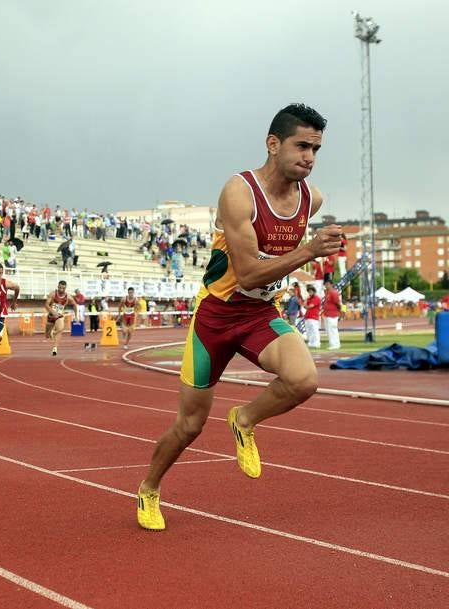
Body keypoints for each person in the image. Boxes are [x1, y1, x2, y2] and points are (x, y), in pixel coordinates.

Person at [137, 103, 341, 531]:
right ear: (273, 143)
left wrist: (306, 251)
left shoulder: (312, 199)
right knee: (190, 425)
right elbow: (247, 271)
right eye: (301, 145)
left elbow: (271, 265)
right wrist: (308, 251)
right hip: (216, 317)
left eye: (316, 149)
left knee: (304, 379)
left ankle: (244, 419)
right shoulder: (239, 192)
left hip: (259, 314)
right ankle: (149, 489)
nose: (309, 157)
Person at [44, 280, 74, 356]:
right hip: (51, 315)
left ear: (65, 288)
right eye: (60, 288)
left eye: (63, 288)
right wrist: (53, 312)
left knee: (60, 329)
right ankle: (50, 331)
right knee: (47, 335)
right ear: (58, 287)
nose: (61, 290)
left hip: (59, 315)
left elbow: (75, 304)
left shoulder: (68, 296)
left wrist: (76, 316)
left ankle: (55, 348)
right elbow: (46, 305)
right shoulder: (53, 294)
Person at [322, 279, 341, 350]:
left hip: (333, 314)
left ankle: (335, 344)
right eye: (326, 284)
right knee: (329, 330)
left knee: (332, 329)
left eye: (328, 284)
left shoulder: (333, 292)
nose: (326, 286)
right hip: (327, 314)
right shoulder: (328, 293)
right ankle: (332, 343)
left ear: (331, 284)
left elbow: (338, 303)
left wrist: (340, 313)